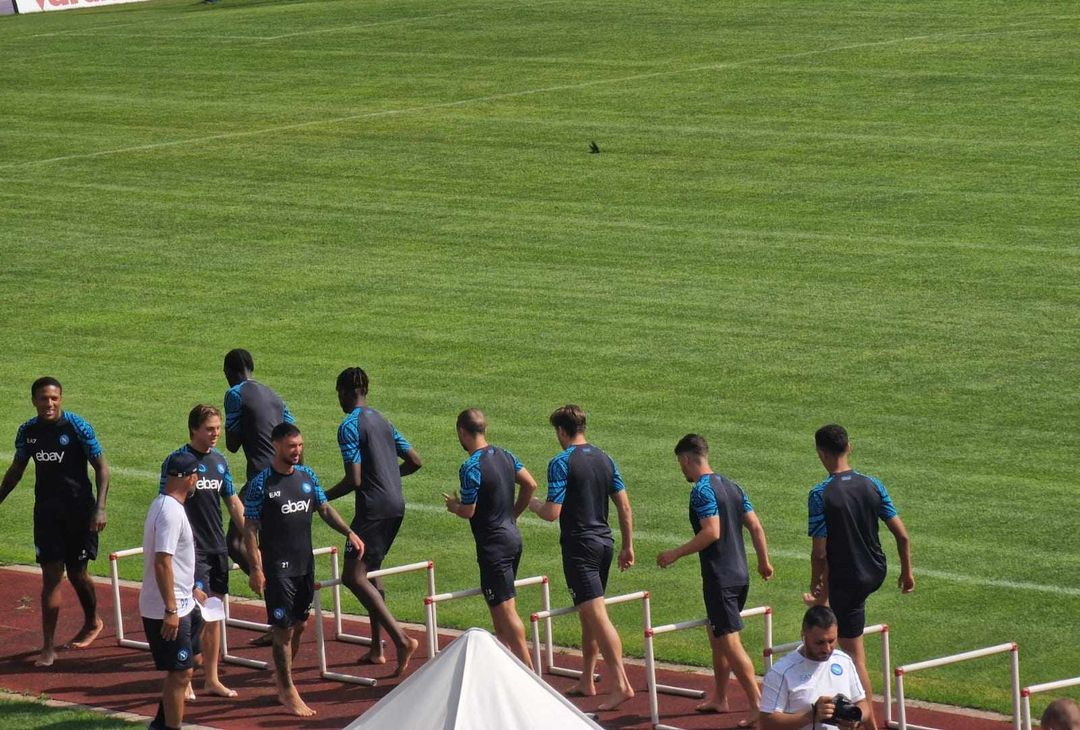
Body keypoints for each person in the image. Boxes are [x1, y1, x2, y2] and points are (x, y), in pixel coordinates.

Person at [243, 422, 363, 718]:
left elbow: (323, 508)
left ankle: (285, 679)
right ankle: (287, 690)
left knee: (300, 625)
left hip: (304, 565)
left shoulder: (307, 476)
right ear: (276, 446)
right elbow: (249, 530)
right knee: (282, 630)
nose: (297, 451)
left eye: (299, 445)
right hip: (277, 569)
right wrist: (256, 568)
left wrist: (348, 532)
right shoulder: (261, 484)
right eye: (291, 446)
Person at [656, 434, 773, 724]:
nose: (681, 470)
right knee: (717, 634)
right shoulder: (732, 486)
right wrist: (764, 561)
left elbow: (712, 532)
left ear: (686, 459)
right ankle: (720, 697)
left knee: (730, 642)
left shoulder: (701, 490)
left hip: (721, 577)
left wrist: (674, 553)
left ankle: (759, 706)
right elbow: (756, 527)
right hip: (741, 574)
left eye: (680, 464)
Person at [805, 424, 914, 730]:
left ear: (821, 453)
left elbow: (820, 552)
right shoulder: (873, 484)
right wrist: (907, 573)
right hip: (876, 570)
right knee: (836, 617)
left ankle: (870, 725)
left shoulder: (819, 494)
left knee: (854, 657)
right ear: (849, 447)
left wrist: (815, 582)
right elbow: (902, 537)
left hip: (849, 578)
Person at [528, 404, 635, 711]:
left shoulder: (561, 462)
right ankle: (587, 678)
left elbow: (552, 513)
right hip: (605, 543)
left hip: (579, 547)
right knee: (590, 612)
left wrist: (532, 504)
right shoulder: (605, 458)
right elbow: (624, 507)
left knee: (598, 615)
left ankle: (622, 685)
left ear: (562, 431)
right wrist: (628, 546)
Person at [0, 377, 111, 667]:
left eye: (53, 398)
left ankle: (92, 621)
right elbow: (16, 470)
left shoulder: (77, 426)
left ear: (60, 399)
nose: (48, 403)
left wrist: (100, 508)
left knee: (77, 574)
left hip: (80, 512)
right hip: (47, 513)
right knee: (51, 577)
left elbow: (101, 468)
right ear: (34, 400)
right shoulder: (28, 432)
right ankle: (48, 647)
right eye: (43, 398)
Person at [324, 367, 422, 676]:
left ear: (343, 392)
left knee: (353, 576)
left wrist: (320, 497)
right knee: (372, 570)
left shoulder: (349, 425)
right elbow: (415, 461)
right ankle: (376, 648)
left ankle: (401, 639)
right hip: (396, 504)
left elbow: (354, 479)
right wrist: (390, 476)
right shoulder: (383, 420)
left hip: (374, 507)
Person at [158, 405, 245, 699]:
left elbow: (232, 501)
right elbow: (167, 502)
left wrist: (249, 538)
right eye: (210, 429)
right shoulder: (178, 461)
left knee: (214, 614)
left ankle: (211, 678)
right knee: (190, 614)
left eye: (218, 428)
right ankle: (186, 680)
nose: (216, 434)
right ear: (194, 429)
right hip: (190, 553)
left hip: (217, 547)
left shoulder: (220, 462)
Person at [444, 408, 537, 667]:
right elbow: (530, 484)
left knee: (506, 610)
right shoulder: (505, 455)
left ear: (462, 431)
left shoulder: (470, 466)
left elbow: (468, 510)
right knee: (499, 607)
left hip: (493, 546)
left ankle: (529, 673)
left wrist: (454, 506)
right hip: (512, 539)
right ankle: (505, 668)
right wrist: (513, 514)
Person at [140, 450, 203, 730]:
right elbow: (162, 562)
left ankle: (160, 723)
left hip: (184, 601)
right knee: (180, 673)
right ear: (191, 478)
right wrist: (171, 609)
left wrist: (191, 590)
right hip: (168, 606)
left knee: (193, 663)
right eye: (196, 476)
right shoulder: (169, 512)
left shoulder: (169, 506)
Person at [222, 348, 295, 573]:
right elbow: (294, 438)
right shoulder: (275, 396)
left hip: (260, 478)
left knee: (235, 542)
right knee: (273, 544)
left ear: (229, 372)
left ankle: (268, 585)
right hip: (288, 477)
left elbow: (232, 445)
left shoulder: (235, 394)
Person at [759, 606, 869, 730]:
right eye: (820, 642)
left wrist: (856, 719)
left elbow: (862, 703)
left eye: (831, 641)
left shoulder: (844, 661)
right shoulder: (781, 672)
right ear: (803, 635)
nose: (827, 649)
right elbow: (766, 721)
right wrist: (812, 716)